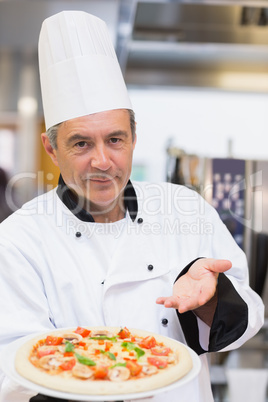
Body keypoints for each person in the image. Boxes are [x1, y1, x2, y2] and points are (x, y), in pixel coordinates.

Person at [0, 10, 264, 402]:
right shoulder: (19, 238)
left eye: (115, 139)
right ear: (51, 149)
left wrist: (211, 301)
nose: (103, 161)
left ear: (134, 138)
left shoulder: (185, 209)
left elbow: (248, 316)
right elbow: (13, 360)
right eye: (81, 143)